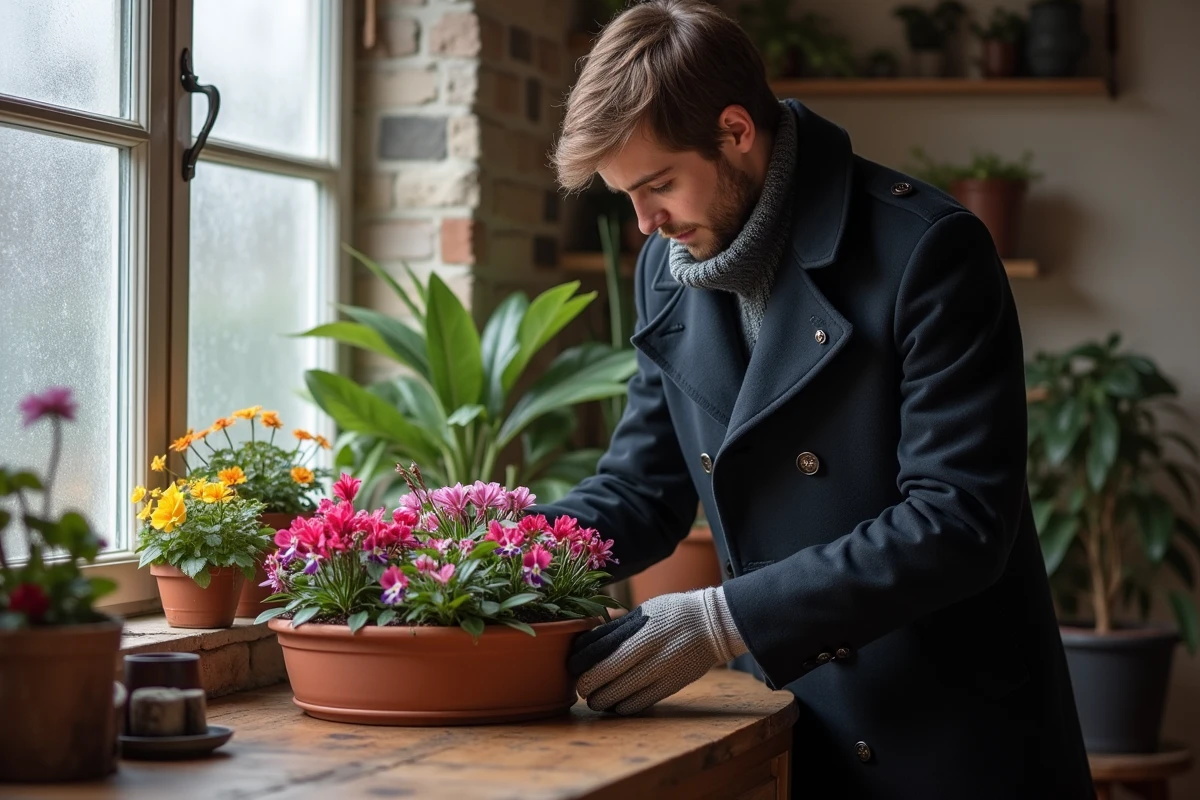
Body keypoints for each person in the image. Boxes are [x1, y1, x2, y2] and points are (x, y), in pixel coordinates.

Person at [534, 1, 1096, 797]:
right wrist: (484, 553)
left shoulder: (928, 250)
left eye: (658, 185)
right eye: (626, 195)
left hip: (951, 745)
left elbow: (957, 520)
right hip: (793, 733)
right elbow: (639, 490)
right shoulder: (667, 269)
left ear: (735, 131)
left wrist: (720, 621)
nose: (645, 224)